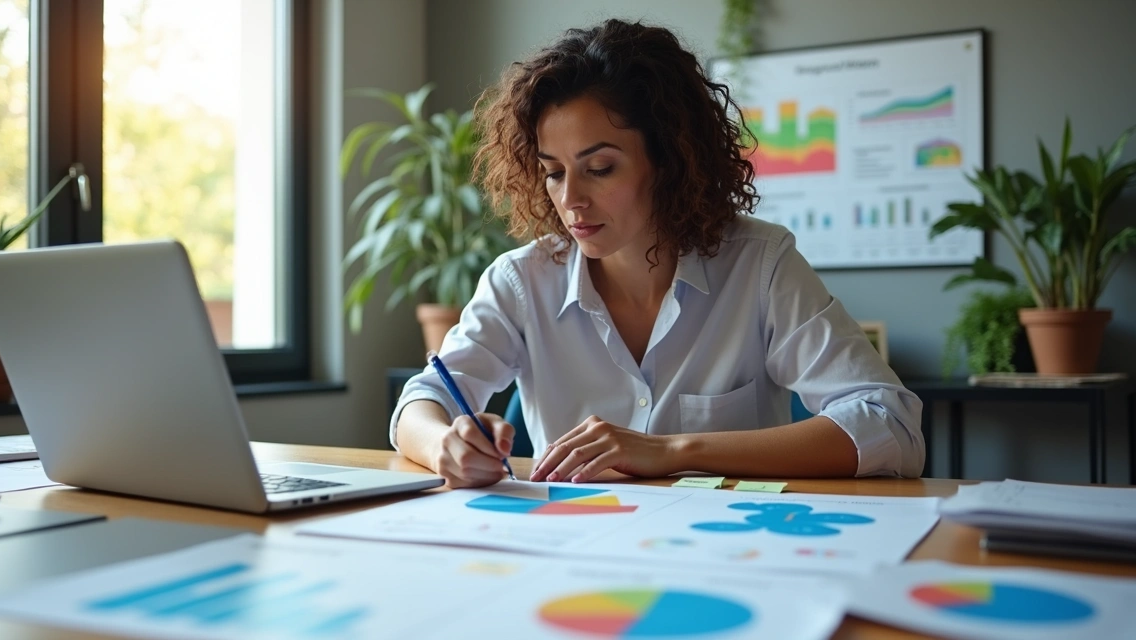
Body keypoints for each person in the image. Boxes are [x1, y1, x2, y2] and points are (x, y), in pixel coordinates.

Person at [390, 19, 924, 488]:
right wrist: (447, 446)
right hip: (570, 552)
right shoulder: (521, 280)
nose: (570, 199)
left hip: (733, 553)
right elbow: (422, 400)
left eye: (600, 169)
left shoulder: (760, 265)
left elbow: (890, 424)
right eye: (554, 172)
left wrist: (673, 451)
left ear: (668, 160)